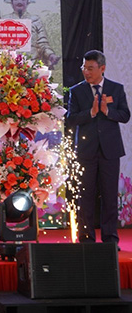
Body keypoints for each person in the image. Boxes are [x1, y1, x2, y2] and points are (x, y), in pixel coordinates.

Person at [67, 50, 130, 247]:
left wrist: (107, 111)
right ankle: (86, 239)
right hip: (85, 151)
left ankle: (110, 239)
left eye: (91, 68)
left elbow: (125, 115)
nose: (86, 72)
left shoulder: (116, 89)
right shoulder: (76, 91)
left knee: (110, 196)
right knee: (85, 196)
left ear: (102, 68)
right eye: (84, 68)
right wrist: (92, 113)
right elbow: (70, 119)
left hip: (110, 151)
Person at [0, 0, 60, 68]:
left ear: (27, 2)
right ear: (11, 2)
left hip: (33, 66)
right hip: (9, 66)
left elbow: (42, 43)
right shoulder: (4, 20)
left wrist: (50, 55)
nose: (19, 2)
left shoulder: (35, 20)